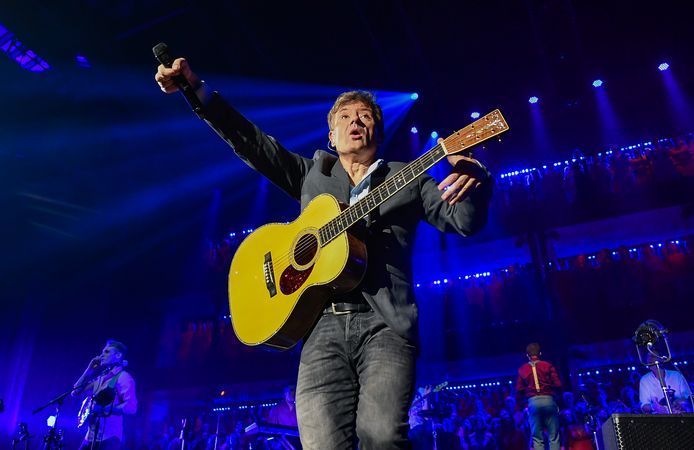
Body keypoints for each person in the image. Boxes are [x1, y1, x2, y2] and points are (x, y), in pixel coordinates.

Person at [155, 57, 493, 449]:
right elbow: (251, 142)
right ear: (332, 136)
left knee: (382, 435)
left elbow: (463, 222)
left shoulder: (410, 178)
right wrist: (195, 90)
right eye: (345, 117)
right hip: (319, 328)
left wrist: (477, 180)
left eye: (365, 116)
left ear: (378, 132)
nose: (355, 121)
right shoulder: (312, 175)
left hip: (385, 323)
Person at [72, 340, 137, 450]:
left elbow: (131, 407)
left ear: (118, 355)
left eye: (106, 352)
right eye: (102, 352)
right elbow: (75, 392)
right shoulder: (100, 378)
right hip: (89, 438)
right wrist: (89, 370)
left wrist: (105, 409)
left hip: (109, 439)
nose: (102, 355)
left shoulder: (123, 377)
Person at [515, 342, 561, 450]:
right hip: (548, 400)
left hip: (533, 402)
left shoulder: (522, 369)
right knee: (553, 435)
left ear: (527, 355)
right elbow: (558, 384)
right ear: (540, 353)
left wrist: (527, 397)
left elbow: (519, 389)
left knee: (537, 437)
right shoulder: (547, 365)